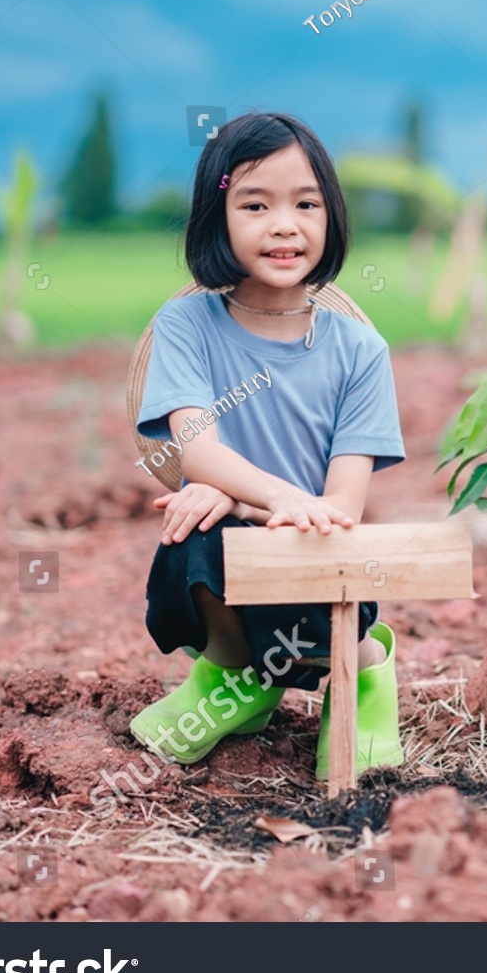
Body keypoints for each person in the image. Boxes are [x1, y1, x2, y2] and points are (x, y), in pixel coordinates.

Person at [129, 111, 405, 780]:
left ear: (332, 218)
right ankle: (235, 674)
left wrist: (262, 502)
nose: (285, 224)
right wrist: (250, 497)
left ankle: (362, 674)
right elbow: (198, 448)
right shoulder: (188, 323)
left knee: (313, 557)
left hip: (320, 550)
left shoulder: (358, 349)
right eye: (255, 204)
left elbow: (343, 503)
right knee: (190, 533)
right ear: (216, 217)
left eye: (306, 204)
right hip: (235, 543)